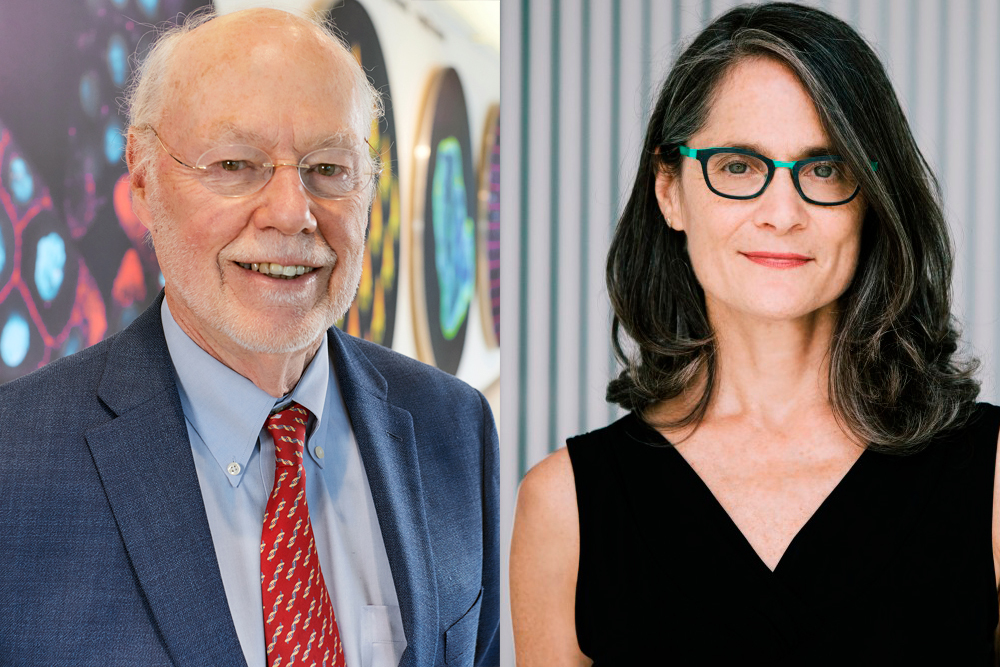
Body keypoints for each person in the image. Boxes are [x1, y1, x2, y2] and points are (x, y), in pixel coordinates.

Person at [0, 8, 498, 667]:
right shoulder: (16, 465)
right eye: (236, 163)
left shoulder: (455, 427)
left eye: (327, 168)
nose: (293, 213)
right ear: (143, 180)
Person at [511, 3, 998, 665]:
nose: (782, 213)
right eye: (739, 166)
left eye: (825, 168)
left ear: (873, 198)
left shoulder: (990, 475)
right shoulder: (564, 507)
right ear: (670, 190)